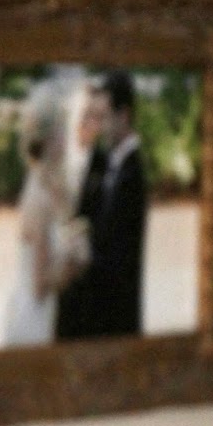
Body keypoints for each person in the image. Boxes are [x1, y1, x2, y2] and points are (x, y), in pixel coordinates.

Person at [4, 82, 83, 346]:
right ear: (52, 137)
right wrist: (72, 266)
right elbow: (39, 285)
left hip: (43, 315)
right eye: (64, 130)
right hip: (34, 322)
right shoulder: (37, 196)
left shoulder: (48, 186)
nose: (67, 139)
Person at [79, 69, 148, 337]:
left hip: (117, 314)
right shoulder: (107, 161)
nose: (99, 126)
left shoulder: (132, 174)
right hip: (100, 310)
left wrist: (78, 261)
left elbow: (118, 253)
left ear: (124, 115)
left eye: (104, 117)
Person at [55, 82, 108, 340]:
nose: (90, 123)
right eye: (86, 114)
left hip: (89, 275)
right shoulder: (56, 158)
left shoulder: (105, 164)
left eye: (97, 117)